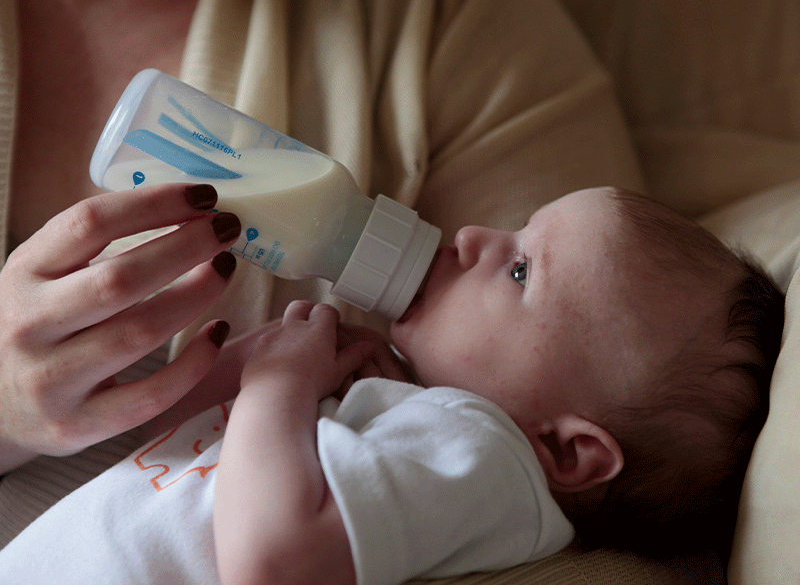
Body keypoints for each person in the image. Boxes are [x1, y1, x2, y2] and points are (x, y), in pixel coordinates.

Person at [0, 186, 784, 585]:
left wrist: (280, 383)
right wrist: (264, 376)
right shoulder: (418, 426)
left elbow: (270, 562)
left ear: (568, 451)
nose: (474, 236)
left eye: (519, 270)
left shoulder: (486, 456)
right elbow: (185, 461)